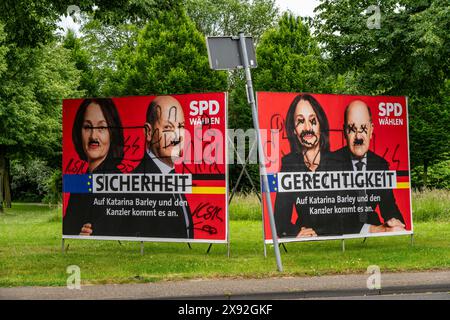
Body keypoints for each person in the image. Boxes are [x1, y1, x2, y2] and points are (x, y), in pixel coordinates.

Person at [331, 100, 406, 234]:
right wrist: (371, 230)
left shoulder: (380, 165)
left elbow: (388, 205)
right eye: (352, 129)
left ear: (371, 130)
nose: (358, 136)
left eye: (364, 128)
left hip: (373, 222)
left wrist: (395, 222)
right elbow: (330, 216)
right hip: (345, 230)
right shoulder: (330, 163)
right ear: (344, 132)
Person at [274, 93, 337, 238]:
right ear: (294, 130)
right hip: (307, 235)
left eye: (313, 120)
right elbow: (280, 222)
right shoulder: (289, 164)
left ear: (321, 125)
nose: (307, 127)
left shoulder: (338, 162)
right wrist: (296, 233)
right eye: (300, 121)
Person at [130, 95, 194, 239]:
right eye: (168, 128)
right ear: (148, 132)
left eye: (181, 127)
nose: (177, 137)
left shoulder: (172, 176)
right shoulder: (136, 183)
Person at [63, 98, 124, 236]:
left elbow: (112, 228)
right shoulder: (80, 181)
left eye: (102, 127)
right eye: (87, 127)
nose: (93, 136)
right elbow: (69, 227)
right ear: (79, 132)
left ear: (112, 133)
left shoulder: (117, 181)